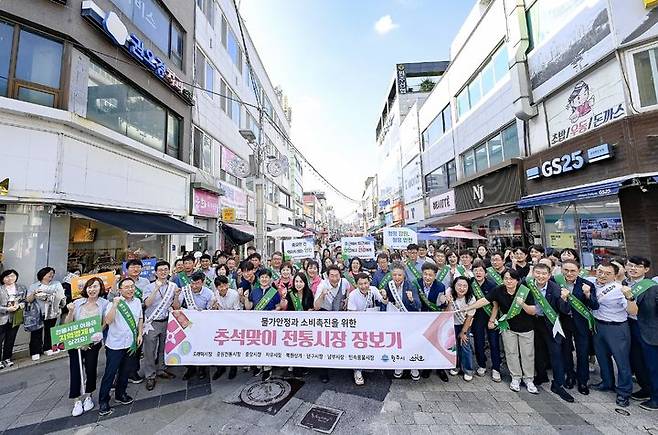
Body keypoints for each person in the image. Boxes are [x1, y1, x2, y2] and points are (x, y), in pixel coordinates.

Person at [464, 269, 538, 394]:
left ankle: (529, 379)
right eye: (506, 278)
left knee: (527, 354)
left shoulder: (524, 291)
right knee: (511, 353)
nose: (509, 281)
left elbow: (533, 311)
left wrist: (523, 304)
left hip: (526, 328)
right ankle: (515, 378)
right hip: (508, 327)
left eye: (512, 279)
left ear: (517, 280)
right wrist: (468, 308)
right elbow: (484, 301)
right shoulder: (499, 290)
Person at [64, 277, 110, 416]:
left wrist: (94, 338)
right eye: (89, 287)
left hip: (93, 342)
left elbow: (105, 323)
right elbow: (67, 324)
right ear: (85, 289)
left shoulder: (105, 303)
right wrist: (71, 311)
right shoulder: (77, 303)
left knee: (91, 369)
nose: (92, 289)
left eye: (95, 286)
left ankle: (89, 395)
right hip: (75, 342)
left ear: (100, 288)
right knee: (75, 370)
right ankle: (76, 400)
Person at [528, 262, 574, 402]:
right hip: (535, 322)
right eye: (538, 273)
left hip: (552, 324)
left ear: (549, 275)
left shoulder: (555, 289)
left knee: (556, 353)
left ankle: (558, 383)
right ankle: (541, 375)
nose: (540, 276)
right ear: (533, 273)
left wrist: (564, 298)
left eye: (544, 274)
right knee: (538, 350)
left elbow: (565, 310)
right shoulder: (528, 286)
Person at [98, 277, 143, 416]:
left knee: (125, 371)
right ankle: (103, 400)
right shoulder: (113, 303)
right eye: (127, 287)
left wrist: (140, 334)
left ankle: (121, 394)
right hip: (115, 344)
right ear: (120, 290)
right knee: (110, 373)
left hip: (131, 343)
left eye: (132, 287)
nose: (130, 289)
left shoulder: (137, 301)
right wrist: (115, 305)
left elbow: (140, 318)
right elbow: (108, 321)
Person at [590, 262, 633, 407]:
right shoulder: (593, 284)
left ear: (615, 276)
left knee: (621, 362)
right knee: (602, 357)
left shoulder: (620, 289)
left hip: (616, 328)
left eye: (607, 273)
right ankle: (607, 382)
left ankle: (624, 392)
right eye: (600, 271)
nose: (602, 275)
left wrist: (629, 297)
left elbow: (632, 311)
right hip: (598, 325)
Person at [556, 259, 597, 395]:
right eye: (566, 270)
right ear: (561, 270)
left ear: (579, 271)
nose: (569, 273)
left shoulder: (587, 284)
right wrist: (563, 299)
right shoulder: (556, 282)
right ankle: (570, 376)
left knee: (582, 352)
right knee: (566, 351)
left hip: (582, 324)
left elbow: (595, 305)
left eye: (573, 270)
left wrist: (587, 294)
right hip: (564, 323)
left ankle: (583, 381)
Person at [622, 256, 658, 411]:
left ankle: (656, 398)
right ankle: (646, 389)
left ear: (646, 269)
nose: (633, 268)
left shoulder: (652, 286)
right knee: (637, 362)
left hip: (648, 329)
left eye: (638, 266)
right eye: (630, 265)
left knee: (653, 365)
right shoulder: (624, 283)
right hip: (630, 327)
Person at [141, 261, 181, 391]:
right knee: (149, 350)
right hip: (152, 322)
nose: (163, 272)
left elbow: (176, 306)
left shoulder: (173, 286)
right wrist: (156, 288)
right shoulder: (149, 286)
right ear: (155, 272)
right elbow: (147, 303)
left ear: (169, 271)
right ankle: (150, 375)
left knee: (164, 348)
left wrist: (176, 295)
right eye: (160, 270)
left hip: (167, 321)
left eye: (165, 269)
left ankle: (161, 369)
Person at [245, 269, 285, 380]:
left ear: (270, 279)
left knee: (268, 345)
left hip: (269, 323)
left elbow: (278, 306)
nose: (264, 279)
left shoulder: (274, 291)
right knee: (257, 343)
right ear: (259, 278)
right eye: (262, 277)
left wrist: (275, 311)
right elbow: (249, 307)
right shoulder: (254, 291)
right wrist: (245, 298)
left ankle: (267, 368)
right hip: (256, 323)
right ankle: (258, 366)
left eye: (266, 277)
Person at [384, 262, 421, 381]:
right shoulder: (389, 285)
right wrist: (384, 296)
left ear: (404, 275)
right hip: (395, 319)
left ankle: (413, 367)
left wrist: (411, 299)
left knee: (411, 344)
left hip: (409, 319)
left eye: (399, 275)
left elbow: (418, 305)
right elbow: (386, 300)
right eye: (394, 275)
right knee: (398, 344)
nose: (397, 277)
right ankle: (399, 365)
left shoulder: (411, 286)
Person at [347, 273, 386, 386]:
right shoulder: (353, 295)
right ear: (356, 284)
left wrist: (384, 296)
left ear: (369, 282)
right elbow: (351, 314)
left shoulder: (373, 290)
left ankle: (368, 365)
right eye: (360, 284)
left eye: (365, 283)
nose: (364, 286)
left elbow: (384, 301)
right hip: (359, 325)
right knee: (358, 347)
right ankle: (357, 370)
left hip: (373, 324)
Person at [314, 265, 349, 383]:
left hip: (339, 315)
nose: (334, 278)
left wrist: (347, 299)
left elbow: (350, 290)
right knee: (324, 343)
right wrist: (323, 295)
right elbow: (316, 306)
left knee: (339, 340)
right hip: (325, 315)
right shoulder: (322, 285)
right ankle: (324, 372)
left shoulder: (344, 282)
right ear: (327, 276)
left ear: (340, 275)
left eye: (336, 275)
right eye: (331, 276)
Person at [179, 272, 214, 381]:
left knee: (201, 346)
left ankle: (202, 368)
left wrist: (203, 311)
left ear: (203, 282)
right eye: (192, 283)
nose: (194, 286)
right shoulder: (185, 290)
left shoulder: (209, 293)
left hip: (203, 324)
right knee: (188, 345)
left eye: (197, 283)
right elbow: (177, 306)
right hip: (188, 324)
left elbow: (211, 310)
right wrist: (176, 296)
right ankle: (190, 368)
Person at [470, 261, 501, 382]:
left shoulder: (492, 285)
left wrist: (492, 320)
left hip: (490, 317)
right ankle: (481, 365)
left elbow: (496, 305)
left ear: (485, 273)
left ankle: (496, 368)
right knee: (478, 342)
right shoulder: (470, 283)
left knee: (494, 343)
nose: (478, 273)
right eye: (476, 270)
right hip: (476, 318)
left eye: (481, 270)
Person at [27, 267, 66, 359]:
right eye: (49, 273)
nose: (51, 275)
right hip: (37, 312)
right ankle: (35, 351)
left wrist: (51, 296)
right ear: (42, 275)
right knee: (36, 331)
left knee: (50, 330)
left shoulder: (56, 284)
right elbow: (28, 300)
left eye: (52, 273)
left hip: (52, 311)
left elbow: (61, 296)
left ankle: (48, 348)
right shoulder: (34, 286)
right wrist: (34, 293)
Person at [211, 275, 241, 380]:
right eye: (220, 286)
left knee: (232, 346)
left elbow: (237, 310)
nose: (222, 288)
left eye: (224, 285)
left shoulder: (234, 294)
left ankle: (233, 367)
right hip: (221, 324)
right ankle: (221, 368)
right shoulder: (215, 295)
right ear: (216, 287)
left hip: (233, 323)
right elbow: (214, 309)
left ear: (228, 285)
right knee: (220, 345)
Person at [447, 276, 476, 381]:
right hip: (450, 324)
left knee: (465, 345)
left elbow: (469, 317)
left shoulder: (471, 298)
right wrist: (449, 302)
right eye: (459, 285)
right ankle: (456, 366)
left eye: (465, 286)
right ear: (454, 285)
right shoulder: (449, 292)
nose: (462, 288)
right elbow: (446, 312)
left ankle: (468, 370)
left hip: (464, 324)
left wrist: (463, 332)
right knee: (453, 346)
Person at [0, 269, 27, 368]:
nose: (10, 278)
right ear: (3, 279)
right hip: (2, 318)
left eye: (12, 276)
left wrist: (19, 306)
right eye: (7, 276)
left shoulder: (21, 288)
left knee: (11, 339)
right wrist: (7, 309)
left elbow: (25, 301)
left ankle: (7, 358)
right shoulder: (0, 289)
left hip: (16, 317)